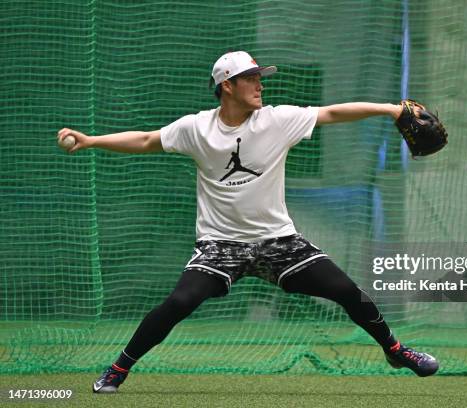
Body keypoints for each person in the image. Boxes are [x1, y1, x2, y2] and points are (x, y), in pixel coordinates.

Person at [57, 51, 439, 394]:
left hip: (279, 243)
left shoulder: (277, 120)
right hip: (220, 246)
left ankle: (395, 350)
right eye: (251, 78)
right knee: (179, 301)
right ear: (228, 85)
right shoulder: (196, 128)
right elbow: (145, 140)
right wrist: (90, 141)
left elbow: (333, 112)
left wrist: (390, 109)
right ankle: (118, 369)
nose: (260, 84)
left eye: (260, 77)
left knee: (345, 289)